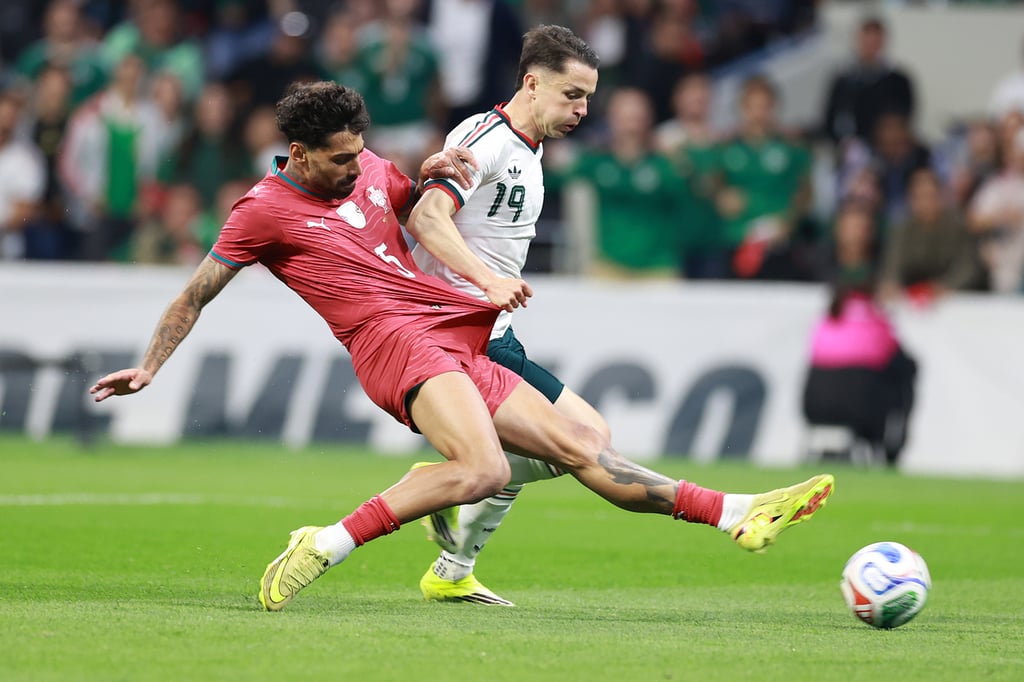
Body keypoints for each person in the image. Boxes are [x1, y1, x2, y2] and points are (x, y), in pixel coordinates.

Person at [89, 81, 834, 613]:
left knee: (580, 443)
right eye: (341, 159)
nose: (357, 167)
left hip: (446, 329)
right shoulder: (262, 211)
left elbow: (417, 212)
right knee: (480, 469)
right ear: (298, 153)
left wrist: (425, 180)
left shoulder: (375, 169)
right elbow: (195, 293)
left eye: (360, 152)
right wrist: (150, 365)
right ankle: (325, 544)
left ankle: (736, 512)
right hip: (389, 344)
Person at [406, 24, 614, 606]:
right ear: (531, 82)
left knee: (578, 441)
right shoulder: (485, 137)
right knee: (584, 441)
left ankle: (452, 555)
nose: (583, 109)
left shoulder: (531, 144)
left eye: (589, 97)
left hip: (496, 331)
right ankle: (446, 502)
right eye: (573, 94)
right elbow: (427, 220)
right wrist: (487, 279)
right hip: (461, 331)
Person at [802, 280, 917, 467]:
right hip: (863, 411)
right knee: (900, 383)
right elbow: (906, 365)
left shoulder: (824, 323)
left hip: (815, 408)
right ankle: (891, 449)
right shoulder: (877, 323)